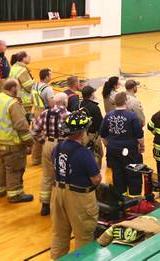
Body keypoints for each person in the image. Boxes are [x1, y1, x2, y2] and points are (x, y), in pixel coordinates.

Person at [50, 111, 101, 260]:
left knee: (59, 235)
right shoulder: (84, 154)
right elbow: (96, 179)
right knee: (83, 237)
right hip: (78, 198)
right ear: (82, 132)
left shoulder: (57, 148)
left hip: (57, 193)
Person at [0, 79, 34, 203]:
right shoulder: (12, 103)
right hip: (11, 144)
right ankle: (15, 194)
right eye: (18, 89)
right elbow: (21, 126)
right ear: (13, 88)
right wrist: (30, 143)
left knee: (0, 167)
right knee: (15, 169)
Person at [100, 92, 145, 198]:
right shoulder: (132, 116)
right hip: (130, 151)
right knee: (133, 173)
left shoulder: (108, 115)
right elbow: (139, 136)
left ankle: (121, 198)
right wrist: (142, 147)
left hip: (113, 150)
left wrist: (108, 145)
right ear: (126, 102)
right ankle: (135, 198)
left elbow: (102, 134)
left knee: (117, 173)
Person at [31, 93, 70, 215]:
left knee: (47, 176)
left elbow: (34, 131)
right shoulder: (67, 115)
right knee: (63, 176)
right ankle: (62, 204)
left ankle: (45, 205)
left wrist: (44, 141)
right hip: (63, 146)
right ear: (65, 102)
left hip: (48, 144)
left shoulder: (45, 113)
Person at [80, 86, 104, 167]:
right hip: (93, 135)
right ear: (91, 94)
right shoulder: (94, 107)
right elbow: (100, 123)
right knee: (97, 154)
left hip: (81, 134)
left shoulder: (79, 105)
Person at [8, 52, 36, 118]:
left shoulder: (14, 67)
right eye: (28, 57)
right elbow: (29, 87)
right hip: (25, 100)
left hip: (16, 97)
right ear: (23, 58)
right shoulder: (22, 70)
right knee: (28, 118)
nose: (30, 58)